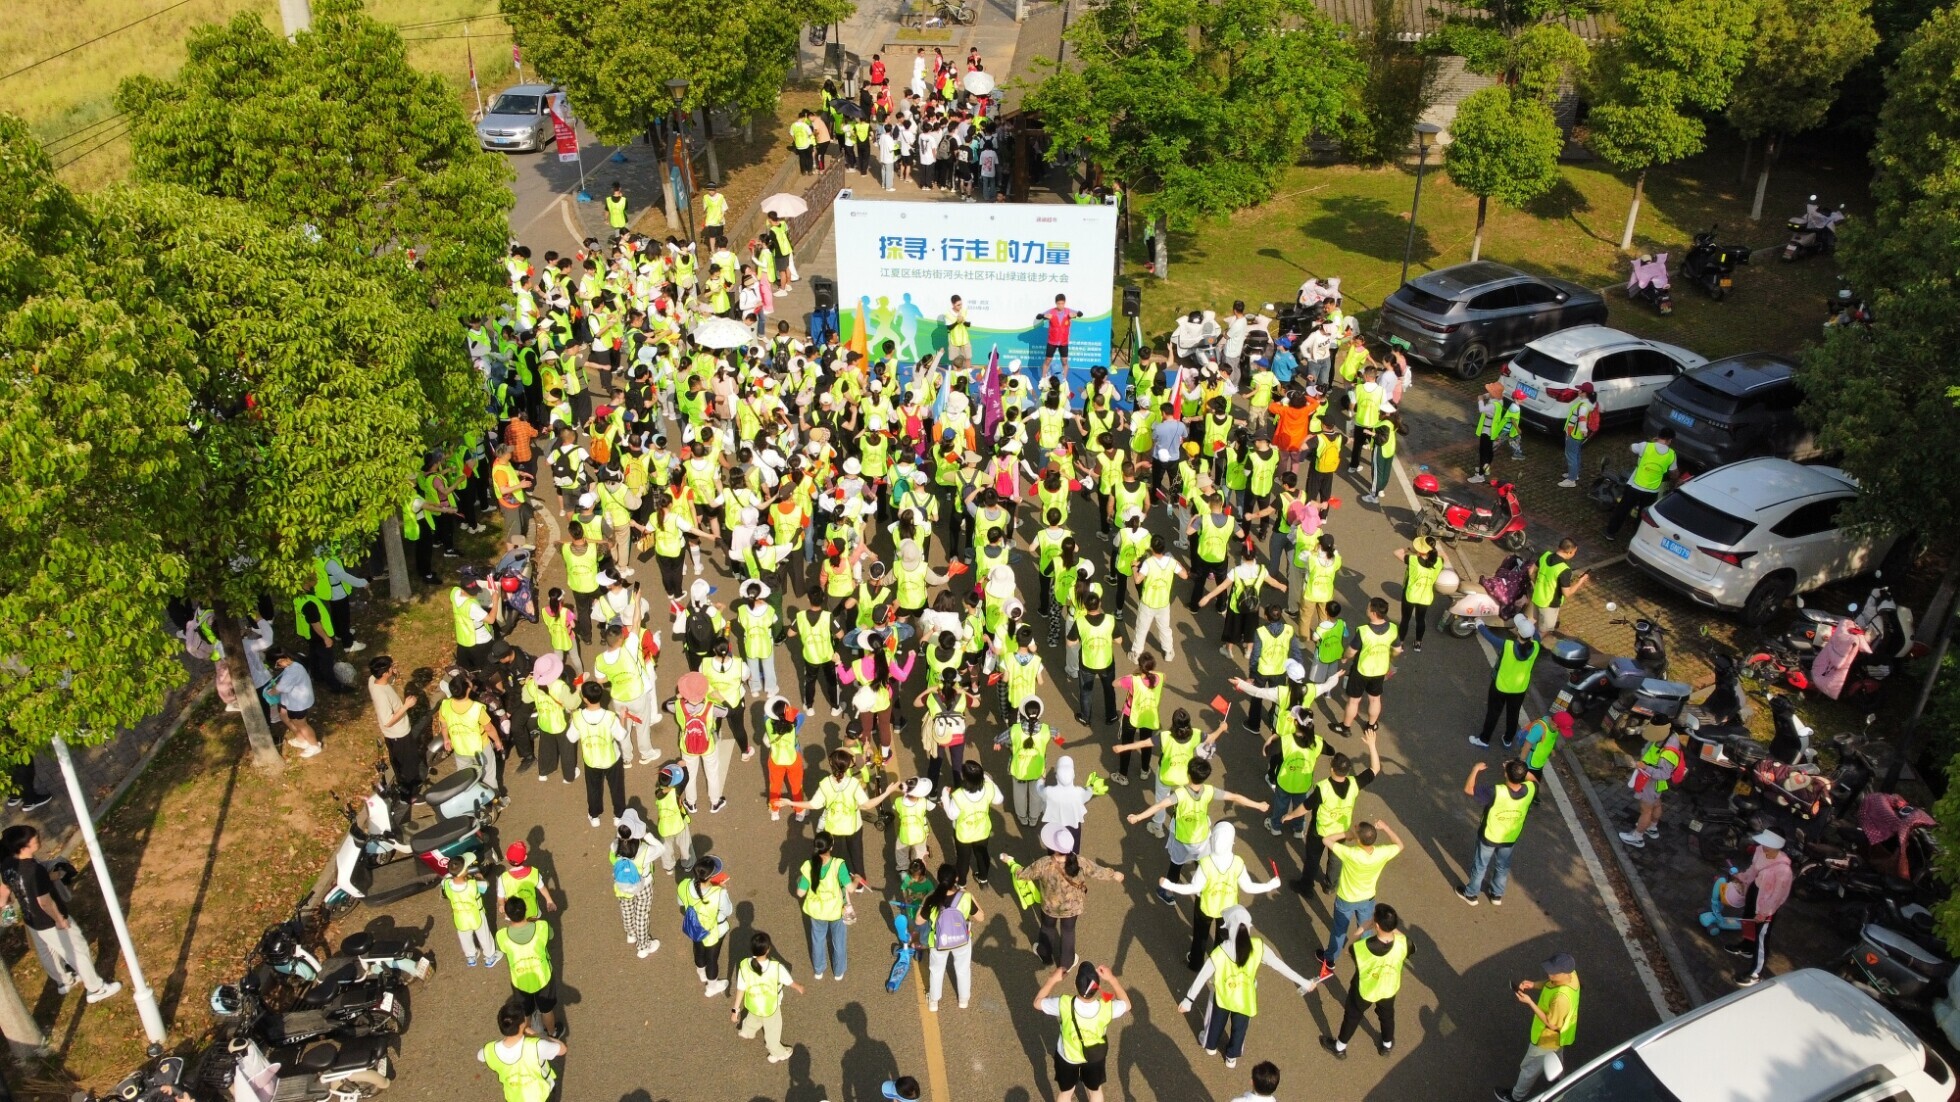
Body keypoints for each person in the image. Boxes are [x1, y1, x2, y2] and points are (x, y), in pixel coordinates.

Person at [1179, 906, 1314, 1069]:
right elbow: (1280, 966)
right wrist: (1304, 982)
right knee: (1239, 1030)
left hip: (1223, 997)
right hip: (1245, 999)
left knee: (1215, 1022)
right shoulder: (1258, 947)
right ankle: (1231, 1057)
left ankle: (1211, 1046)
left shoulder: (1221, 951)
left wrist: (1188, 1000)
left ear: (1229, 928)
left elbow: (1202, 977)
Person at [0, 825, 122, 1003]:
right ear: (24, 846)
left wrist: (5, 908)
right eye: (35, 839)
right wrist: (60, 920)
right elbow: (45, 902)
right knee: (78, 950)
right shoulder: (34, 870)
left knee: (47, 952)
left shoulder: (7, 865)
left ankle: (64, 981)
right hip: (49, 920)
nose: (39, 839)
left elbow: (4, 890)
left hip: (31, 919)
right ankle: (96, 989)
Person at [1158, 822, 1281, 970]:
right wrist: (1269, 885)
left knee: (1200, 936)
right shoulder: (1238, 863)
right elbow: (1248, 887)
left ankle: (1195, 963)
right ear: (1232, 842)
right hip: (1228, 910)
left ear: (1212, 839)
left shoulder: (1205, 863)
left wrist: (1171, 886)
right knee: (1223, 938)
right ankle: (1217, 963)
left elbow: (1194, 888)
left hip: (1205, 907)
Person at [1016, 823, 1124, 971]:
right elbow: (1097, 871)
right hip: (1073, 906)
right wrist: (1114, 874)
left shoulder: (1044, 863)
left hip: (1050, 906)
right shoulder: (1080, 861)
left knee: (1047, 927)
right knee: (1068, 931)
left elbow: (1024, 875)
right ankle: (1066, 963)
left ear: (1053, 847)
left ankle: (1044, 954)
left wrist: (1015, 868)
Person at [1319, 904, 1412, 1058]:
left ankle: (1340, 1047)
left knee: (1352, 1016)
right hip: (1389, 988)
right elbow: (1410, 944)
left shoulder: (1365, 947)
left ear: (1376, 925)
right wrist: (1391, 928)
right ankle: (1387, 1045)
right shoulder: (1403, 942)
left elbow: (1348, 950)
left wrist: (1362, 929)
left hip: (1365, 989)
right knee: (1387, 1016)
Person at [1036, 961, 1131, 1102]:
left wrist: (1052, 980)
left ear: (1075, 985)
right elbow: (1127, 1004)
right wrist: (1112, 979)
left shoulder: (1064, 1003)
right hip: (1094, 1057)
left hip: (1067, 1056)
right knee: (1095, 1092)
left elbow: (1037, 1002)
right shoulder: (1107, 1008)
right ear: (1097, 987)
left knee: (1065, 1093)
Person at [1318, 819, 1403, 970]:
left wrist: (1346, 834)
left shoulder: (1351, 854)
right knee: (1366, 929)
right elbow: (1400, 845)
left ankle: (1330, 958)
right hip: (1367, 898)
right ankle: (1366, 956)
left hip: (1346, 898)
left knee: (1339, 930)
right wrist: (1386, 827)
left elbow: (1326, 840)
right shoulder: (1381, 853)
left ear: (1359, 840)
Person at [1496, 953, 1581, 1102]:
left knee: (1529, 1069)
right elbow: (1551, 982)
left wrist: (1530, 1002)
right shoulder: (1572, 975)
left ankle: (1515, 1097)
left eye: (1553, 972)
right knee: (1555, 1062)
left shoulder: (1561, 998)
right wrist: (1534, 984)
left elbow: (1552, 1024)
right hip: (1559, 1039)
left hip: (1546, 1039)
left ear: (1564, 972)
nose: (1549, 974)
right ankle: (1560, 1090)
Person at [1460, 759, 1537, 905]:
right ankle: (1496, 894)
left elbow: (1469, 789)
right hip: (1510, 837)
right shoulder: (1531, 789)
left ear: (1506, 774)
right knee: (1503, 866)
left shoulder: (1496, 791)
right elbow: (1532, 778)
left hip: (1490, 835)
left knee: (1480, 866)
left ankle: (1471, 894)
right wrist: (1517, 768)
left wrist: (1475, 769)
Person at [1724, 830, 1792, 986]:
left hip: (1767, 905)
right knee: (1748, 921)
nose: (1764, 846)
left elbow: (1777, 896)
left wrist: (1764, 913)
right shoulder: (1761, 851)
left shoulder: (1784, 870)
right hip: (1755, 891)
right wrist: (1742, 877)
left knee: (1762, 936)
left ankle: (1756, 973)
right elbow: (1753, 869)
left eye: (1768, 844)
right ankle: (1747, 947)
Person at [915, 863, 983, 1011]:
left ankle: (934, 1002)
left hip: (939, 942)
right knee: (963, 969)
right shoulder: (965, 897)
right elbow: (981, 917)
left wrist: (924, 902)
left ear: (939, 879)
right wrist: (970, 896)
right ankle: (963, 1000)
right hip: (962, 941)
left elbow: (918, 921)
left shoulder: (932, 898)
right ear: (956, 879)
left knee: (936, 971)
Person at [1470, 615, 1540, 750]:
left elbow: (1490, 637)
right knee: (1513, 715)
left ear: (1518, 632)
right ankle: (1508, 740)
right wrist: (1531, 625)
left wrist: (1479, 623)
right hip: (1519, 689)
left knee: (1493, 713)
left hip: (1500, 687)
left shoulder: (1508, 645)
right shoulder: (1536, 646)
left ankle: (1484, 739)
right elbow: (1536, 635)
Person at [495, 897, 561, 1038]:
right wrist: (534, 921)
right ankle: (552, 1034)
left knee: (525, 1012)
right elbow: (551, 935)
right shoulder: (541, 927)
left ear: (507, 915)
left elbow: (500, 949)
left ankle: (528, 1039)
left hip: (520, 981)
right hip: (543, 977)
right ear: (525, 910)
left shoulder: (501, 936)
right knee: (546, 1010)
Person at [732, 931, 803, 1063]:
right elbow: (789, 982)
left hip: (753, 1003)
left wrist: (735, 1010)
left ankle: (747, 1030)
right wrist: (799, 987)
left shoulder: (744, 965)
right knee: (772, 1032)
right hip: (770, 1007)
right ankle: (779, 1053)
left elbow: (741, 988)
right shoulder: (776, 967)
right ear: (768, 949)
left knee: (754, 1017)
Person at [1334, 598, 1400, 737]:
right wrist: (1390, 658)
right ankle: (1371, 725)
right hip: (1380, 670)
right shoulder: (1393, 628)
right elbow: (1398, 649)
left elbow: (1351, 651)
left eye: (1368, 607)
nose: (1367, 609)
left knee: (1354, 700)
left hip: (1361, 670)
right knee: (1375, 699)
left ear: (1373, 613)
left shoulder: (1364, 631)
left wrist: (1344, 657)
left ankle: (1345, 727)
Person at [478, 998, 564, 1102]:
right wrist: (538, 1035)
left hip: (514, 1098)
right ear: (522, 1025)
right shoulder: (536, 1046)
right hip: (541, 1096)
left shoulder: (488, 1050)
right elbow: (562, 1049)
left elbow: (480, 1056)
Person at [796, 831, 855, 980]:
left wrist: (800, 881)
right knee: (838, 941)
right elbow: (850, 889)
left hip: (816, 911)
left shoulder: (808, 865)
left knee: (818, 940)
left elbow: (800, 893)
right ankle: (838, 972)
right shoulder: (838, 864)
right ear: (831, 846)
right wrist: (857, 879)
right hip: (835, 910)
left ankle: (819, 970)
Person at [568, 681, 628, 826]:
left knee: (593, 789)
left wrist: (572, 719)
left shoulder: (577, 717)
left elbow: (571, 737)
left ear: (584, 698)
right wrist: (623, 718)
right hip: (611, 759)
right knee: (617, 788)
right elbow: (621, 735)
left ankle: (594, 816)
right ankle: (619, 816)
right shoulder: (610, 717)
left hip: (591, 760)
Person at [1605, 428, 1678, 540]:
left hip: (1635, 485)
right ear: (1670, 440)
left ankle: (1610, 533)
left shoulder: (1645, 446)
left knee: (1622, 509)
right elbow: (1674, 473)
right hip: (1652, 490)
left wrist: (1651, 442)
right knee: (1643, 515)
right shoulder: (1671, 455)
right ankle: (1637, 536)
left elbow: (1631, 447)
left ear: (1658, 436)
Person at [1618, 724, 1684, 848]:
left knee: (1646, 811)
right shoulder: (1671, 736)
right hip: (1656, 784)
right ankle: (1652, 828)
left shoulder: (1667, 753)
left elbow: (1664, 774)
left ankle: (1637, 837)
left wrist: (1645, 767)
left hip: (1651, 782)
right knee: (1656, 804)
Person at [942, 759, 1004, 886]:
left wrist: (945, 797)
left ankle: (962, 883)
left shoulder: (959, 795)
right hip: (982, 830)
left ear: (965, 778)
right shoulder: (988, 788)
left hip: (964, 834)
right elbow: (999, 799)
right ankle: (983, 878)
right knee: (982, 854)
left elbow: (952, 814)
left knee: (963, 859)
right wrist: (990, 780)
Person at [679, 857, 735, 996]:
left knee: (698, 950)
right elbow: (728, 911)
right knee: (712, 960)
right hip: (714, 932)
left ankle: (701, 972)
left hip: (694, 926)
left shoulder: (684, 884)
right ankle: (711, 987)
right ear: (711, 876)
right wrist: (722, 890)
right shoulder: (719, 893)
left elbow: (680, 902)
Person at [367, 656, 422, 796]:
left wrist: (392, 676)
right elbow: (388, 721)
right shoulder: (381, 695)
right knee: (408, 765)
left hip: (395, 735)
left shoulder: (373, 680)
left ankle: (406, 788)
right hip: (399, 735)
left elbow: (383, 680)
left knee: (400, 762)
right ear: (385, 673)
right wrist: (406, 706)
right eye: (391, 668)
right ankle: (409, 795)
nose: (393, 669)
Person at [611, 810, 660, 958]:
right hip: (643, 885)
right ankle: (643, 947)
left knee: (626, 910)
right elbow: (661, 848)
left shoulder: (614, 846)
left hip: (622, 886)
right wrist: (647, 836)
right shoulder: (645, 850)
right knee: (641, 915)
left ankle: (631, 934)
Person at [1391, 537, 1443, 653]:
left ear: (1420, 549)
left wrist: (1409, 548)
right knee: (1421, 620)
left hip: (1410, 595)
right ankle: (1418, 643)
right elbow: (1445, 556)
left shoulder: (1413, 560)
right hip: (1426, 597)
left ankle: (1401, 643)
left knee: (1405, 619)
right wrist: (1434, 551)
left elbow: (1396, 552)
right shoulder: (1439, 562)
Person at [266, 651, 322, 758]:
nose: (278, 667)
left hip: (298, 703)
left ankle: (314, 745)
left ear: (282, 659)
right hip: (291, 699)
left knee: (301, 724)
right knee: (284, 715)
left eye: (277, 664)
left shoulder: (293, 672)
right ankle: (301, 739)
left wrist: (269, 692)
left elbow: (279, 688)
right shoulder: (293, 664)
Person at [1527, 539, 1588, 635]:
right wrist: (1580, 582)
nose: (1574, 554)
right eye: (1574, 552)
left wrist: (1538, 582)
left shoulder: (1546, 555)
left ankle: (1523, 637)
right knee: (1543, 631)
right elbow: (1567, 593)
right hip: (1550, 604)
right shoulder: (1564, 569)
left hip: (1537, 596)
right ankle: (1534, 643)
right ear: (1570, 552)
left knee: (1532, 620)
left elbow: (1530, 571)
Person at [1558, 383, 1598, 488]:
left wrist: (1583, 430)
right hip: (1578, 435)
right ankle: (1574, 474)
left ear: (1584, 393)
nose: (1578, 391)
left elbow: (1582, 419)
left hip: (1574, 434)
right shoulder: (1587, 404)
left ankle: (1571, 480)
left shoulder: (1583, 406)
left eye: (1580, 390)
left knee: (1571, 456)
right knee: (1576, 455)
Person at [1037, 294, 1085, 378]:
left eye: (1062, 303)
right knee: (1048, 360)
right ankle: (1043, 379)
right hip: (1052, 341)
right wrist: (1044, 316)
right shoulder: (1051, 311)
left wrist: (1076, 314)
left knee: (1064, 361)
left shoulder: (1068, 311)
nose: (1061, 305)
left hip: (1063, 342)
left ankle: (1064, 379)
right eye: (1059, 304)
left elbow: (1080, 314)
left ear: (1064, 303)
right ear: (1056, 303)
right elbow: (1038, 316)